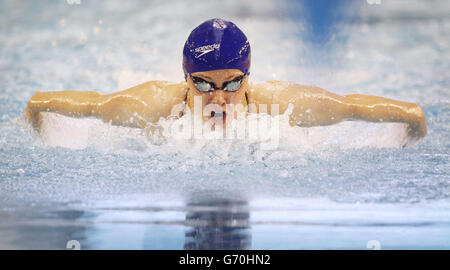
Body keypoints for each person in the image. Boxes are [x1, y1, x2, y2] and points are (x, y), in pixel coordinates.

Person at [22, 18, 427, 144]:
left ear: (248, 79)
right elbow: (46, 102)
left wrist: (407, 139)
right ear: (185, 80)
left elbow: (376, 109)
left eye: (232, 85)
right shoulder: (149, 107)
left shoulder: (283, 105)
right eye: (203, 84)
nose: (219, 98)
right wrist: (42, 136)